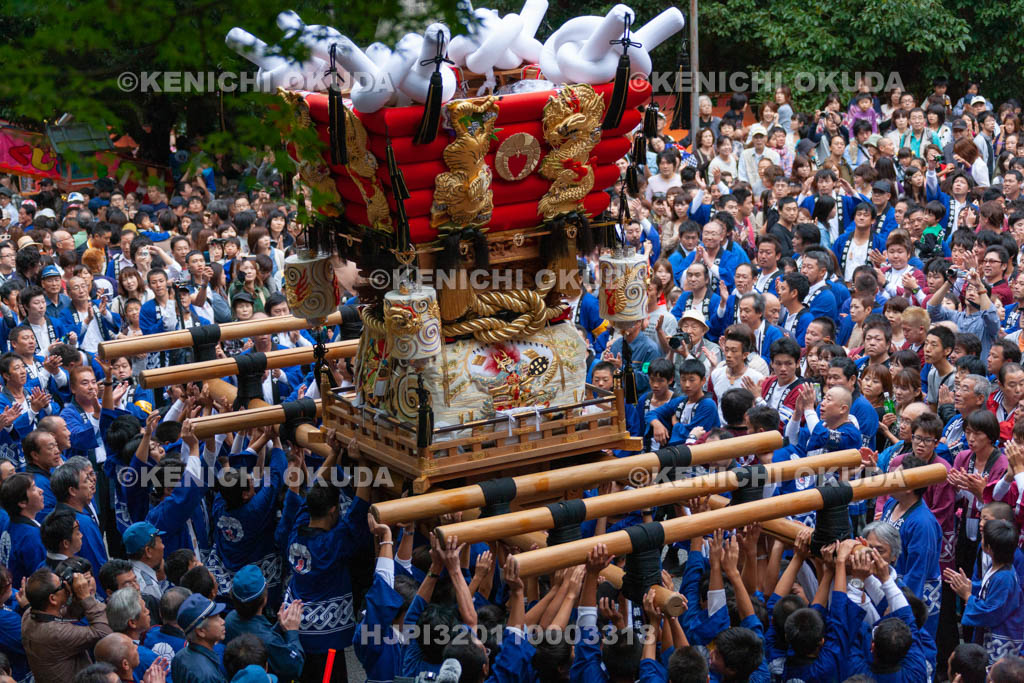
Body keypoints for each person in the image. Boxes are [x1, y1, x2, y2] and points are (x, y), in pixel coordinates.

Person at [22, 565, 113, 683]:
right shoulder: (54, 633)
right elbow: (105, 632)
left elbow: (69, 614)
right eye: (61, 584)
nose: (65, 584)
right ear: (52, 598)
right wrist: (86, 597)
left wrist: (76, 596)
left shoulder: (29, 614)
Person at [224, 565, 304, 681]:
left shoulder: (229, 620)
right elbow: (295, 667)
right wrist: (292, 632)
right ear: (265, 598)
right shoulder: (269, 641)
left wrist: (279, 627)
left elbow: (258, 632)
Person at [171, 593, 226, 683]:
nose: (223, 622)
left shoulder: (180, 656)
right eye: (216, 618)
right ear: (201, 631)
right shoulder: (207, 676)